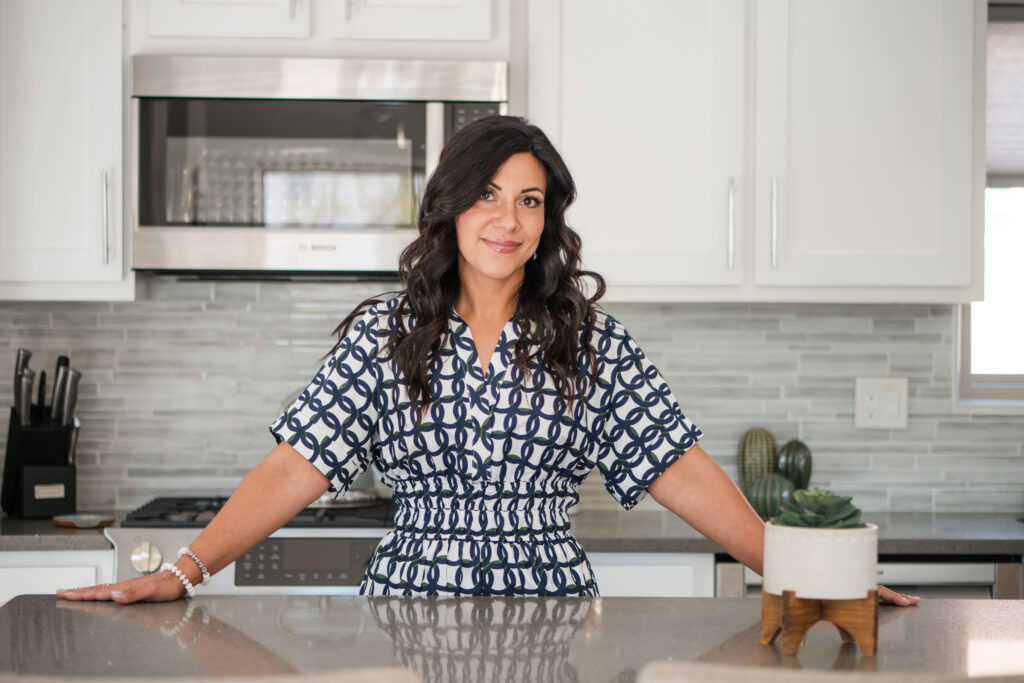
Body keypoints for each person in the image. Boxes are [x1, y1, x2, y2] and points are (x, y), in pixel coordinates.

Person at [58, 116, 918, 605]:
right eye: (488, 194)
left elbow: (683, 472)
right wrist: (181, 570)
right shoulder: (386, 337)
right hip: (406, 610)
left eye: (530, 200)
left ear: (548, 221)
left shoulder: (592, 343)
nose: (508, 218)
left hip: (552, 607)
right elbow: (294, 466)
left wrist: (813, 573)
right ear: (452, 208)